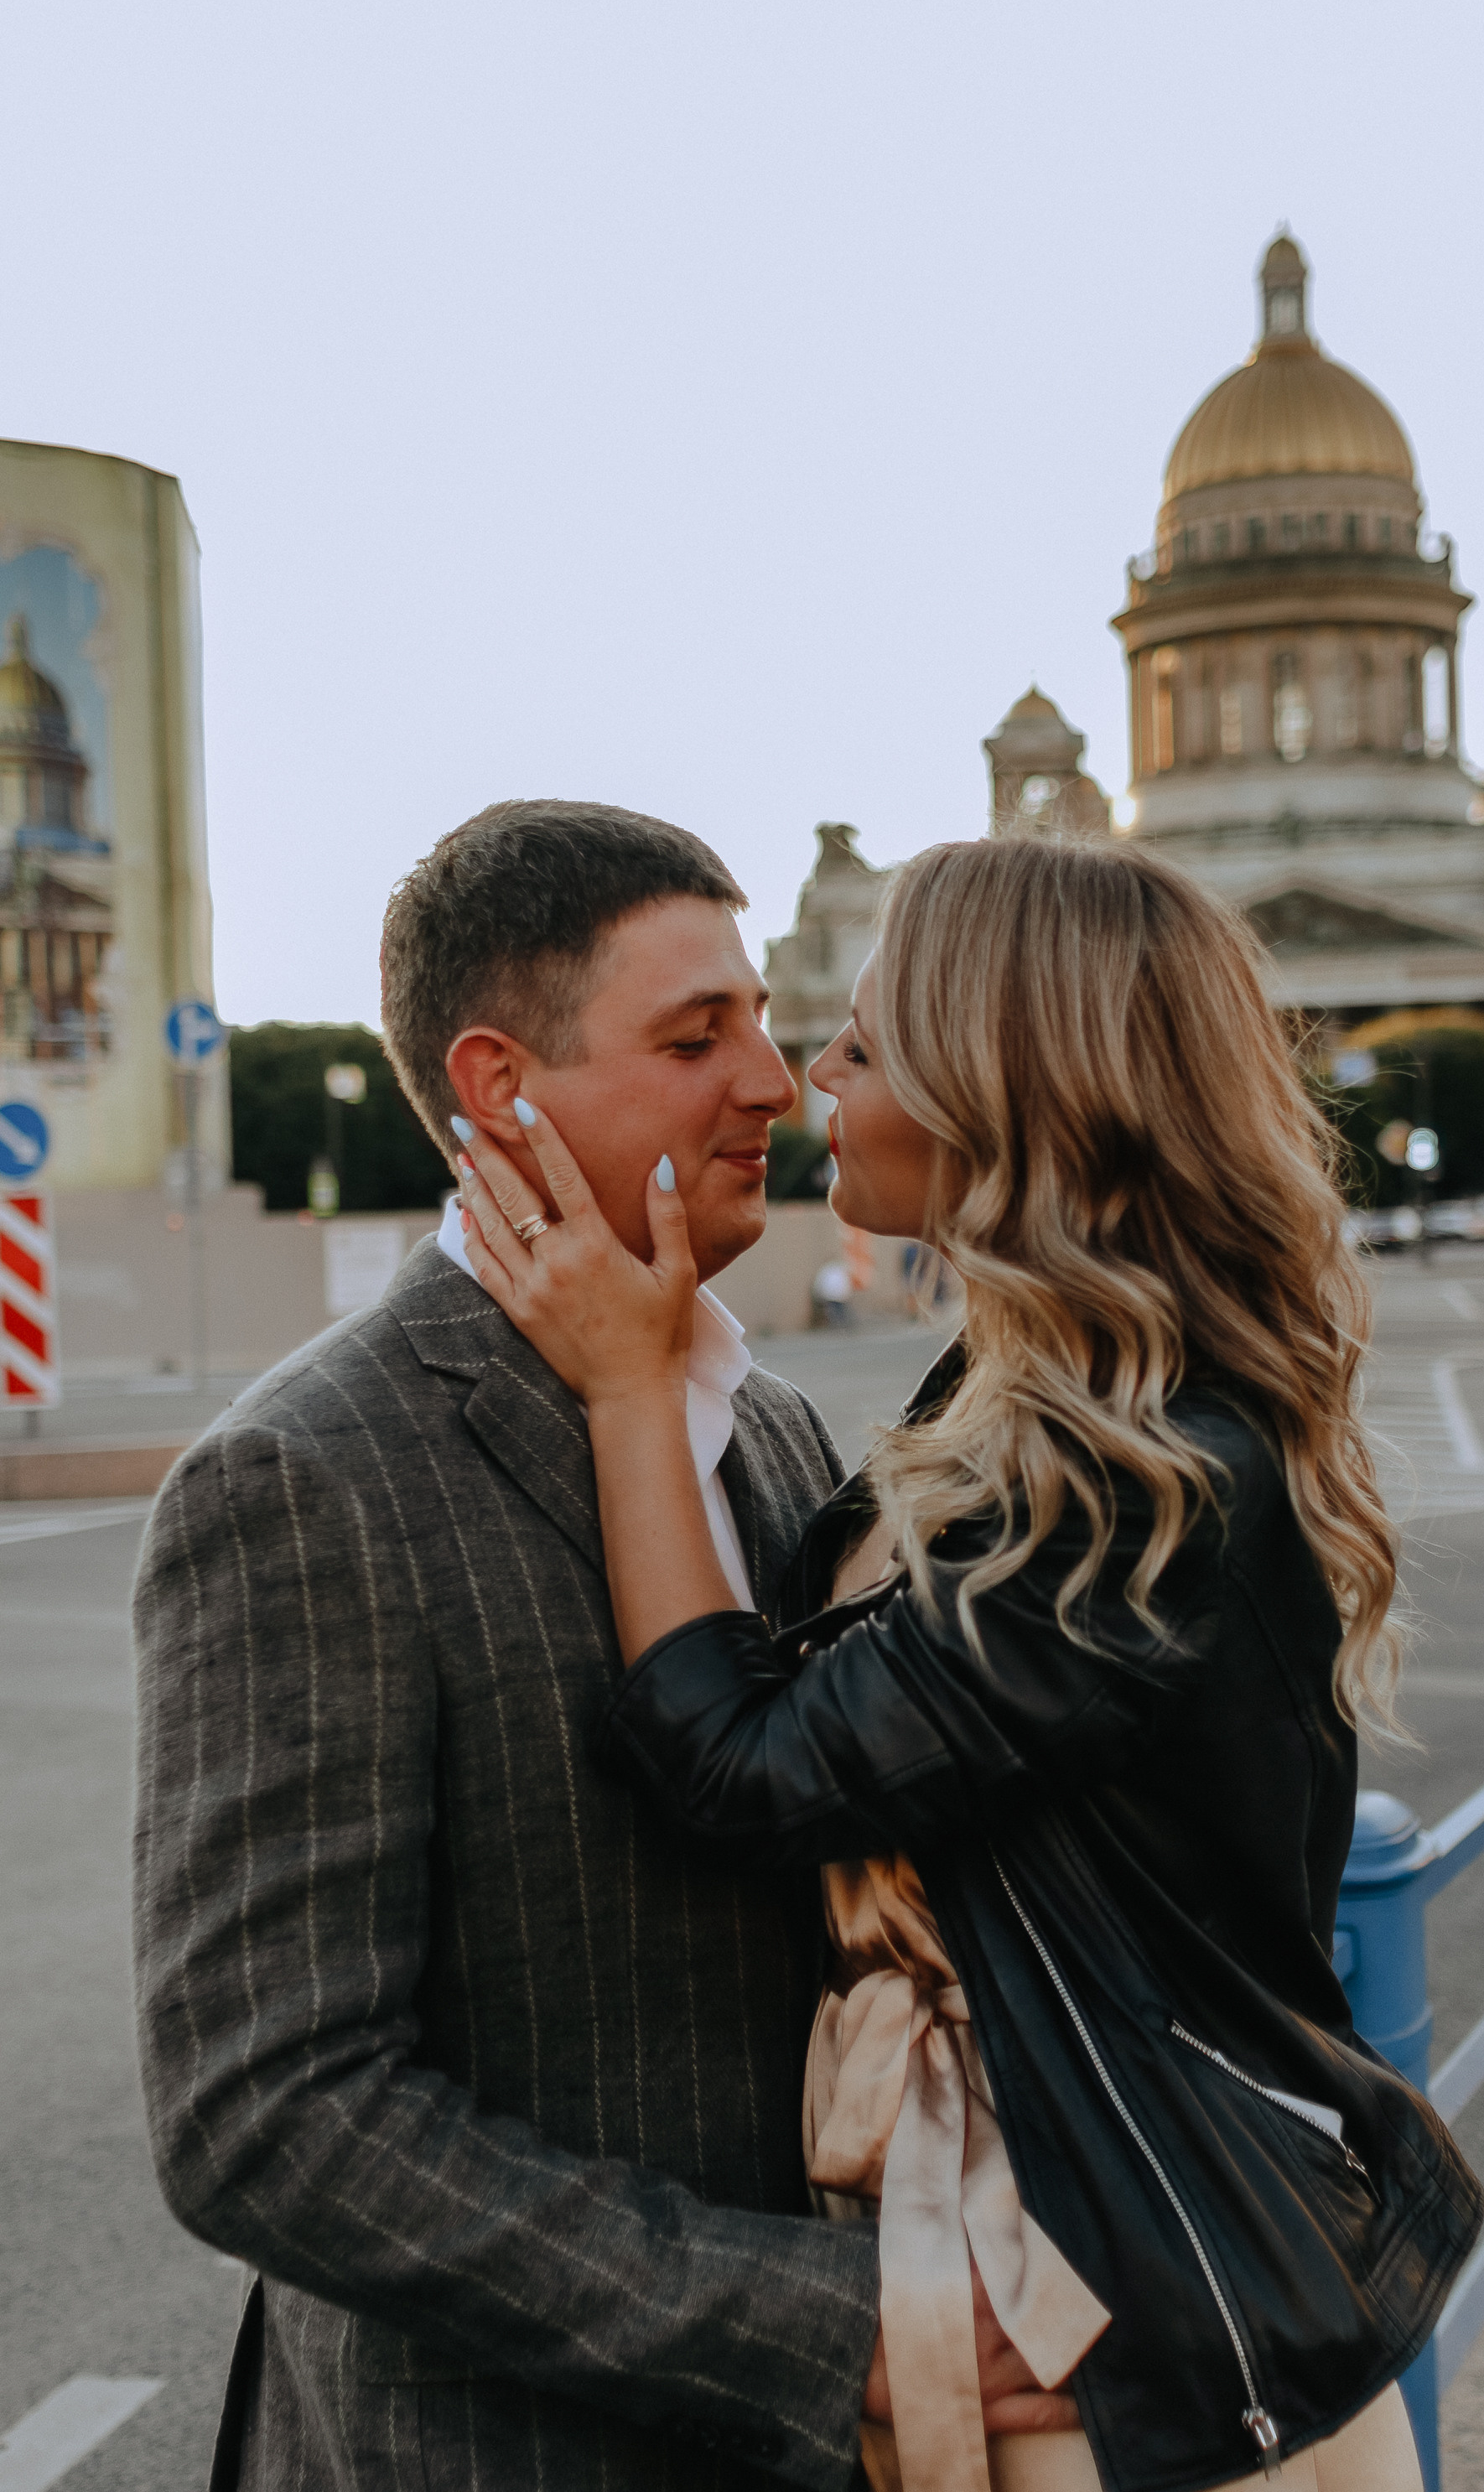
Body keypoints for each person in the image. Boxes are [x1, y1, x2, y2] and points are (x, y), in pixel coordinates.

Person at [454, 833, 1484, 2492]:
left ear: (999, 1088)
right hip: (1049, 2298)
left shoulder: (1135, 1486)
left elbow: (747, 1770)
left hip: (1112, 2363)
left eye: (859, 1042)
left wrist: (632, 1393)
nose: (806, 1082)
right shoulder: (1038, 1418)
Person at [132, 800, 1056, 2492]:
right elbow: (266, 2112)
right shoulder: (306, 1478)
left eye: (765, 1027)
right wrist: (821, 2324)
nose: (773, 1085)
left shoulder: (771, 1432)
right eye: (697, 1036)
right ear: (499, 1086)